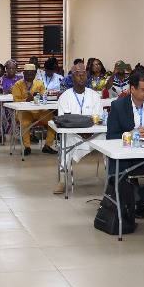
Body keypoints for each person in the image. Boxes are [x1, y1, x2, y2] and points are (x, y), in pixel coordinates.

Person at [105, 69, 144, 217]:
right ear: (132, 89)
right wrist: (130, 134)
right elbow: (111, 136)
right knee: (116, 172)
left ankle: (139, 200)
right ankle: (127, 204)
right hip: (125, 157)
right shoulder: (118, 106)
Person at [52, 63, 104, 195]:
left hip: (93, 134)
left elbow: (98, 118)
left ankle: (111, 179)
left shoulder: (94, 95)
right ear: (72, 76)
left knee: (107, 140)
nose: (81, 76)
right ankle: (63, 180)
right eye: (77, 73)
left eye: (84, 73)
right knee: (65, 141)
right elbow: (65, 121)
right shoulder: (65, 97)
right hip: (74, 134)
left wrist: (89, 131)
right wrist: (81, 131)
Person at [11, 63, 52, 157]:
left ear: (35, 74)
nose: (30, 76)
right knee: (25, 123)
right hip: (25, 112)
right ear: (23, 73)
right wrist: (26, 100)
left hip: (39, 111)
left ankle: (47, 145)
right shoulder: (17, 85)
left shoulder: (39, 83)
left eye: (32, 74)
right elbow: (16, 100)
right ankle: (27, 147)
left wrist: (39, 97)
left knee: (53, 122)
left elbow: (43, 96)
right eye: (28, 74)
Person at [0, 60, 22, 144]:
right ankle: (0, 134)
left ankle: (24, 133)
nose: (11, 70)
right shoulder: (1, 79)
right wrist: (6, 92)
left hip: (18, 102)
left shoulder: (20, 79)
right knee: (3, 111)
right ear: (6, 69)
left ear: (16, 69)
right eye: (9, 68)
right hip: (4, 103)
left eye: (13, 68)